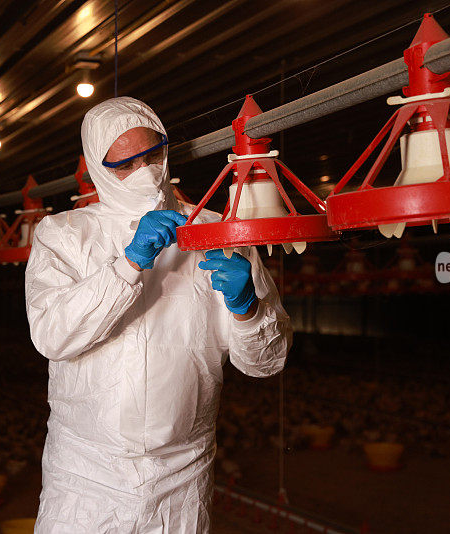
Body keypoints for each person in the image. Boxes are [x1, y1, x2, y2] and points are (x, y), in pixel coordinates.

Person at [25, 97, 292, 533]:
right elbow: (53, 336)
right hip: (86, 473)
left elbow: (266, 363)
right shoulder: (64, 235)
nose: (144, 172)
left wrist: (248, 310)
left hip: (182, 473)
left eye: (152, 156)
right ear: (97, 167)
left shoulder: (217, 230)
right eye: (124, 165)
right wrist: (126, 265)